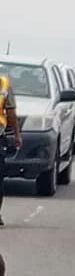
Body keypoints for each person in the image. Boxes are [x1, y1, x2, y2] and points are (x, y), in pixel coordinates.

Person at [0, 72, 23, 227]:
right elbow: (11, 112)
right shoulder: (4, 83)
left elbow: (10, 112)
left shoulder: (4, 83)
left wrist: (16, 134)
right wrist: (17, 135)